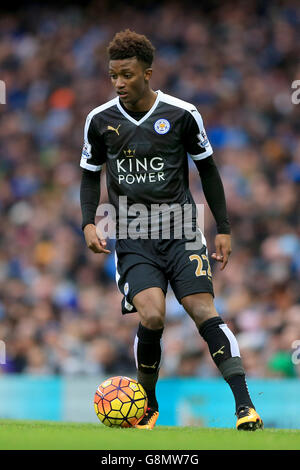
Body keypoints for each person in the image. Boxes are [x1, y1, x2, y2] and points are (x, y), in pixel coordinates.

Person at [80, 29, 263, 431]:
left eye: (126, 74)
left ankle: (245, 407)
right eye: (113, 75)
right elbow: (90, 175)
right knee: (153, 315)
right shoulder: (99, 120)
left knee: (202, 310)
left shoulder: (181, 113)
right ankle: (147, 405)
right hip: (132, 233)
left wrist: (224, 228)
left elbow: (209, 170)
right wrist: (89, 221)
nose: (119, 83)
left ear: (147, 72)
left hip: (181, 228)